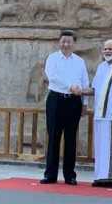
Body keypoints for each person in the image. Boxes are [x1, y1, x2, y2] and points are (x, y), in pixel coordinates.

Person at [72, 39, 112, 189]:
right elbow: (94, 90)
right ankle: (104, 178)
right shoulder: (100, 68)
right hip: (101, 115)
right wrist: (78, 90)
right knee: (102, 147)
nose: (107, 51)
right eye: (105, 49)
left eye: (110, 49)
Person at [40, 29, 89, 186]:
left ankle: (70, 175)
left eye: (69, 41)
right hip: (56, 99)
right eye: (63, 41)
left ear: (74, 43)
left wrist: (85, 103)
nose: (66, 44)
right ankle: (50, 174)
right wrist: (70, 87)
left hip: (74, 102)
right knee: (53, 137)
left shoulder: (80, 61)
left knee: (71, 139)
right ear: (59, 42)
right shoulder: (52, 58)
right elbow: (52, 77)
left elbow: (85, 82)